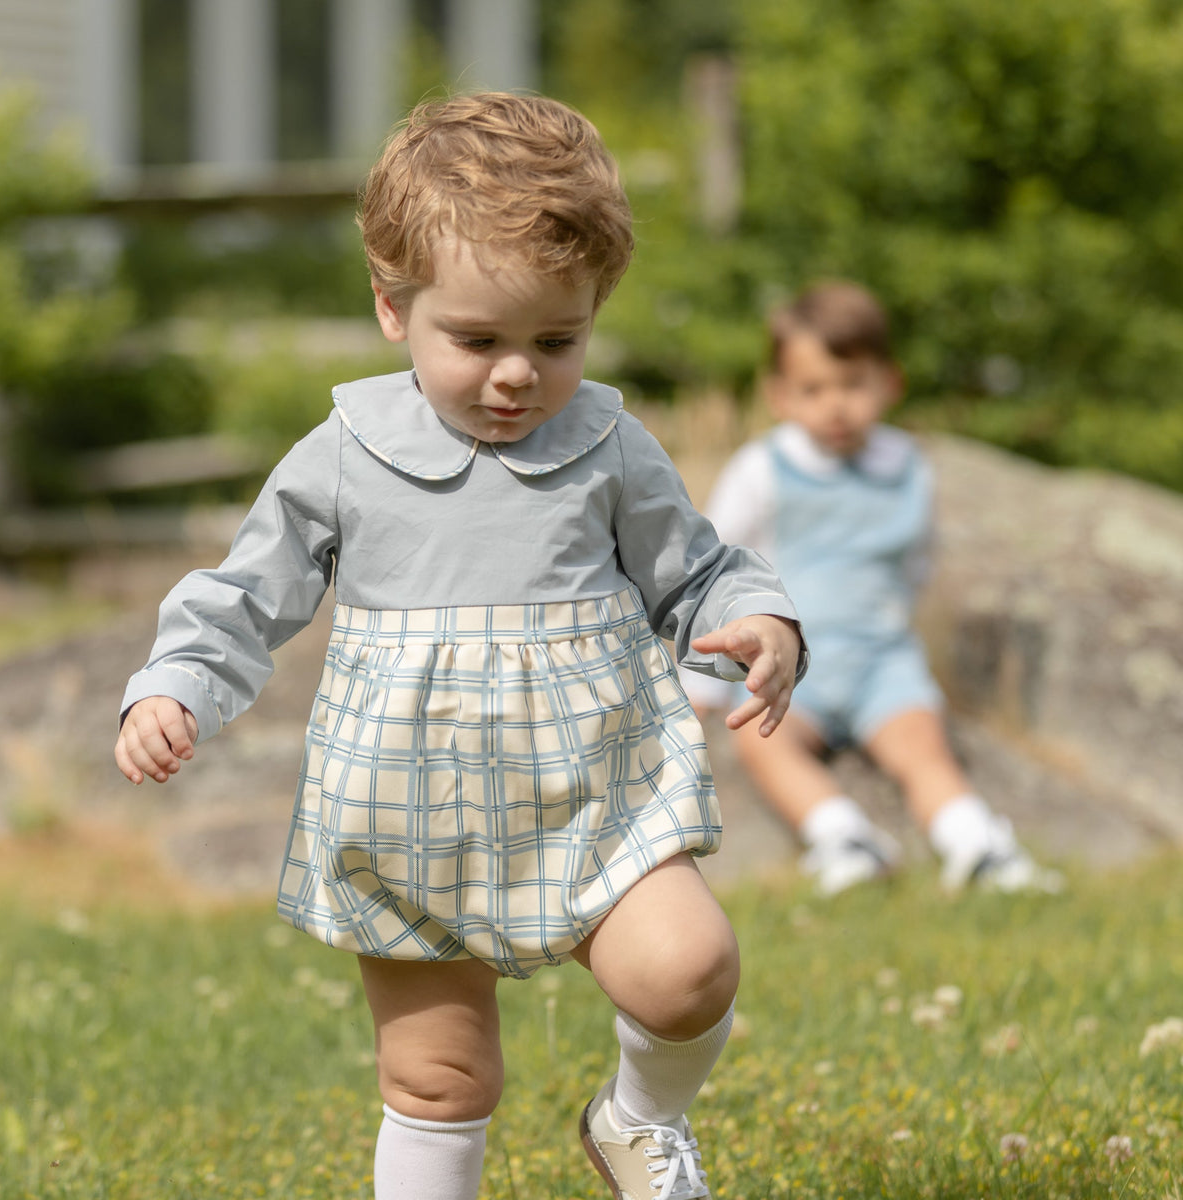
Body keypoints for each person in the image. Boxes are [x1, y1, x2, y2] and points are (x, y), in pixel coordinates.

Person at [115, 93, 806, 1200]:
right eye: (476, 339)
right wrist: (177, 687)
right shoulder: (344, 454)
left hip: (593, 797)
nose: (517, 375)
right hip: (405, 814)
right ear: (394, 308)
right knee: (440, 1075)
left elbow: (697, 569)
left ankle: (636, 1123)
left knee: (688, 970)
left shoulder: (609, 448)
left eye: (556, 340)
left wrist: (760, 621)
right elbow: (247, 596)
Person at [683, 281, 1063, 898]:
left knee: (923, 752)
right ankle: (844, 837)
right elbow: (712, 566)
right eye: (813, 389)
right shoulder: (764, 468)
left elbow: (917, 560)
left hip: (884, 661)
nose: (835, 406)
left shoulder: (908, 467)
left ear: (891, 383)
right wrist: (701, 683)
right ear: (779, 395)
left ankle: (978, 848)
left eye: (853, 385)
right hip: (791, 669)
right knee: (763, 743)